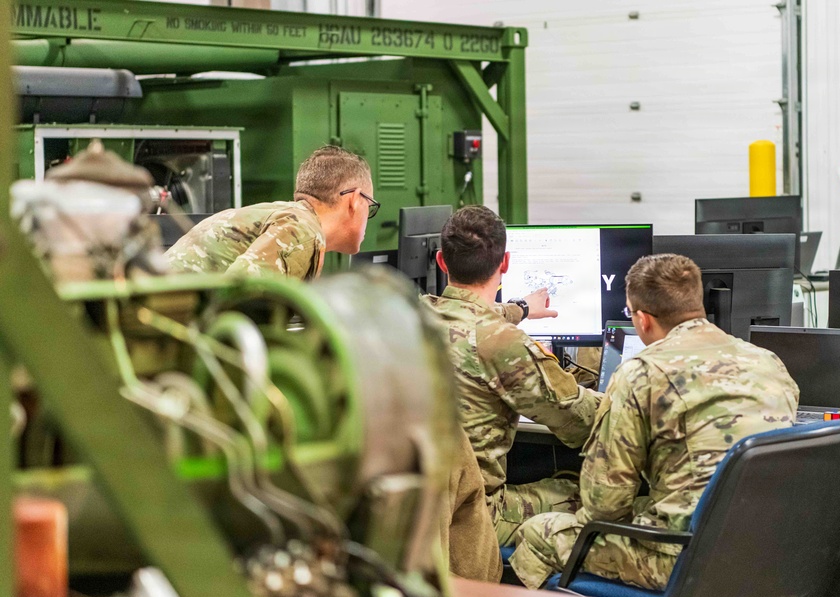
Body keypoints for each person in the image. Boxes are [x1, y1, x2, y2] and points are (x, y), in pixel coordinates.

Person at [510, 253, 799, 589]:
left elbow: (604, 507)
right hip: (764, 551)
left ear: (643, 320)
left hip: (684, 559)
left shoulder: (641, 372)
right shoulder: (768, 361)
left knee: (539, 532)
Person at [423, 206, 602, 546]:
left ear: (441, 262)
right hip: (473, 515)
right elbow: (581, 422)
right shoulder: (503, 344)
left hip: (412, 510)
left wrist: (519, 308)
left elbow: (466, 314)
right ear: (504, 263)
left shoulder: (406, 316)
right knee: (576, 490)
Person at [167, 145, 375, 279]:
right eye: (370, 205)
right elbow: (237, 297)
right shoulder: (303, 231)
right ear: (355, 200)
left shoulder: (294, 220)